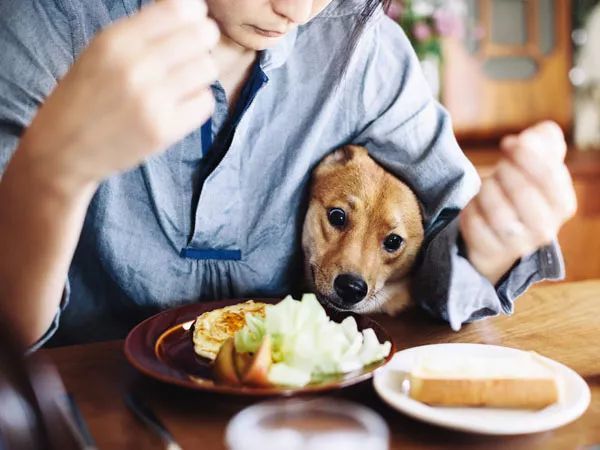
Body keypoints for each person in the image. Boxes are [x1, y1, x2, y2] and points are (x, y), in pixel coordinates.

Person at [0, 0, 576, 349]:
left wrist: (490, 241)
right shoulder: (47, 28)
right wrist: (53, 176)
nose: (299, 12)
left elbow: (446, 238)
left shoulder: (362, 49)